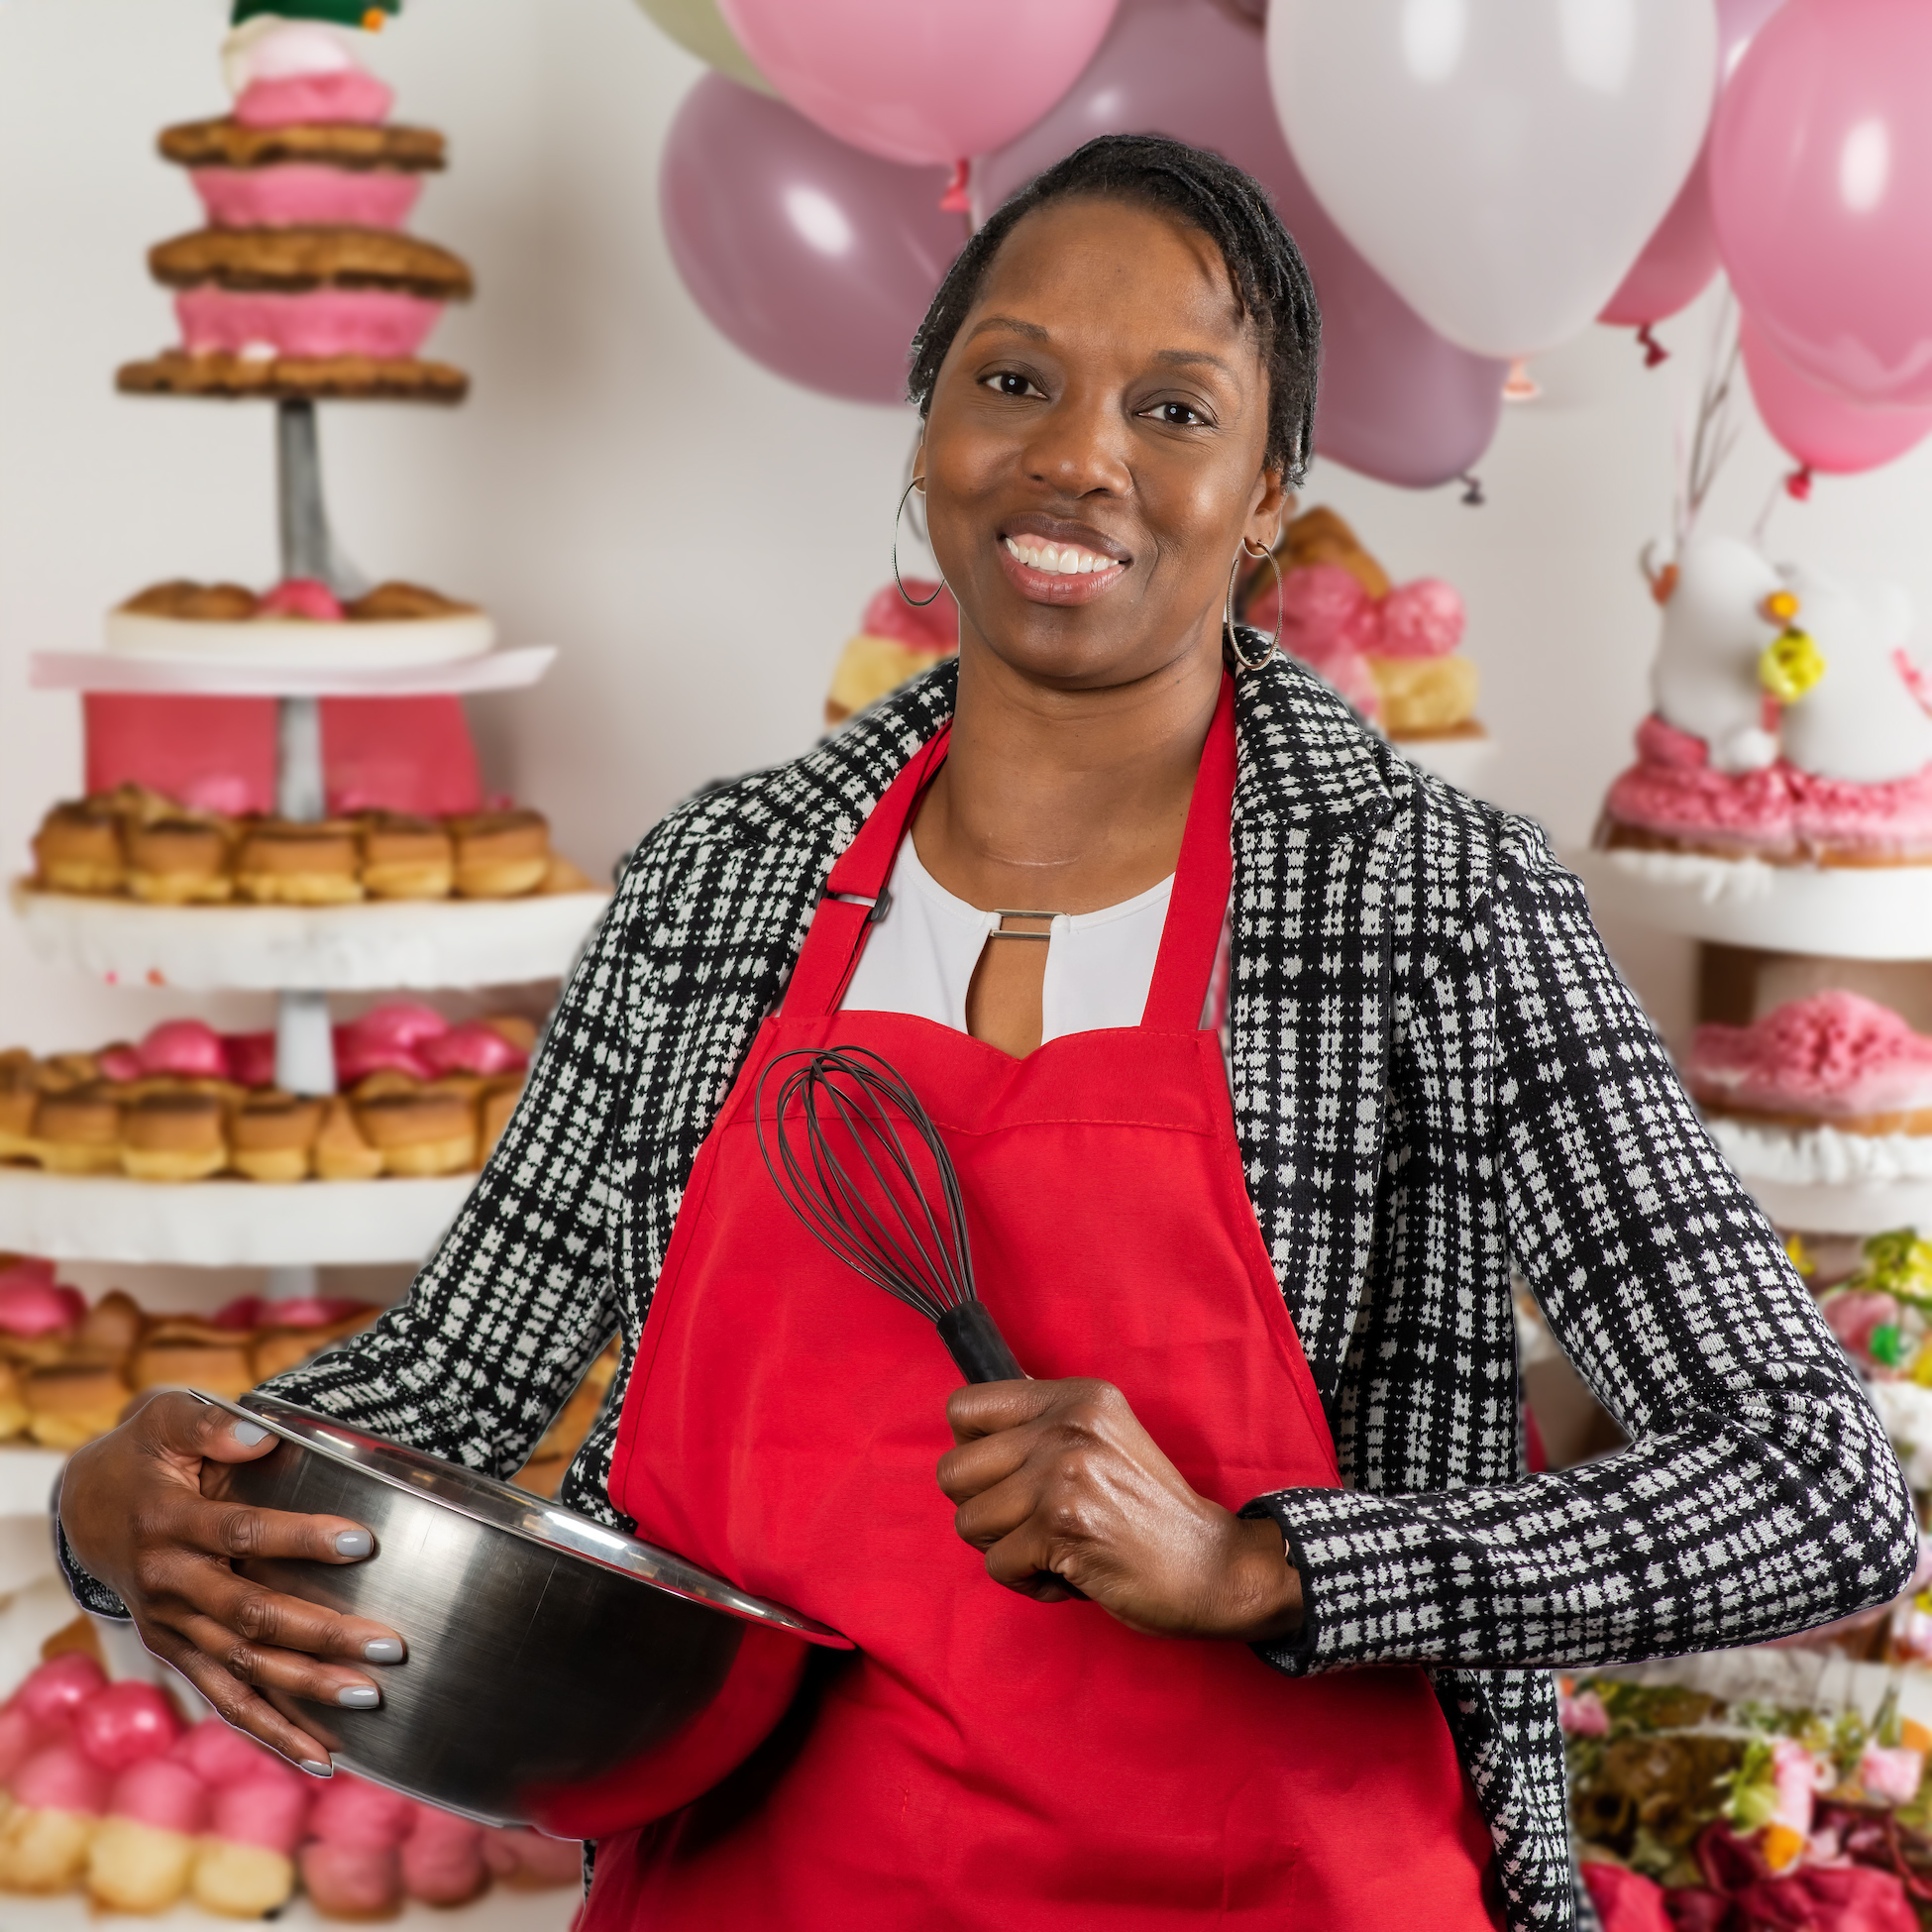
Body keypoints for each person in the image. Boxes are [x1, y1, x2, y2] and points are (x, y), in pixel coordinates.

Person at [59, 135, 1915, 1931]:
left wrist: (1261, 1560)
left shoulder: (1433, 906)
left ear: (1270, 493)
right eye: (1012, 377)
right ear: (930, 434)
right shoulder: (718, 886)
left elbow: (1819, 1482)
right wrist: (130, 1496)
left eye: (1176, 410)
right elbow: (449, 1384)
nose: (1077, 458)